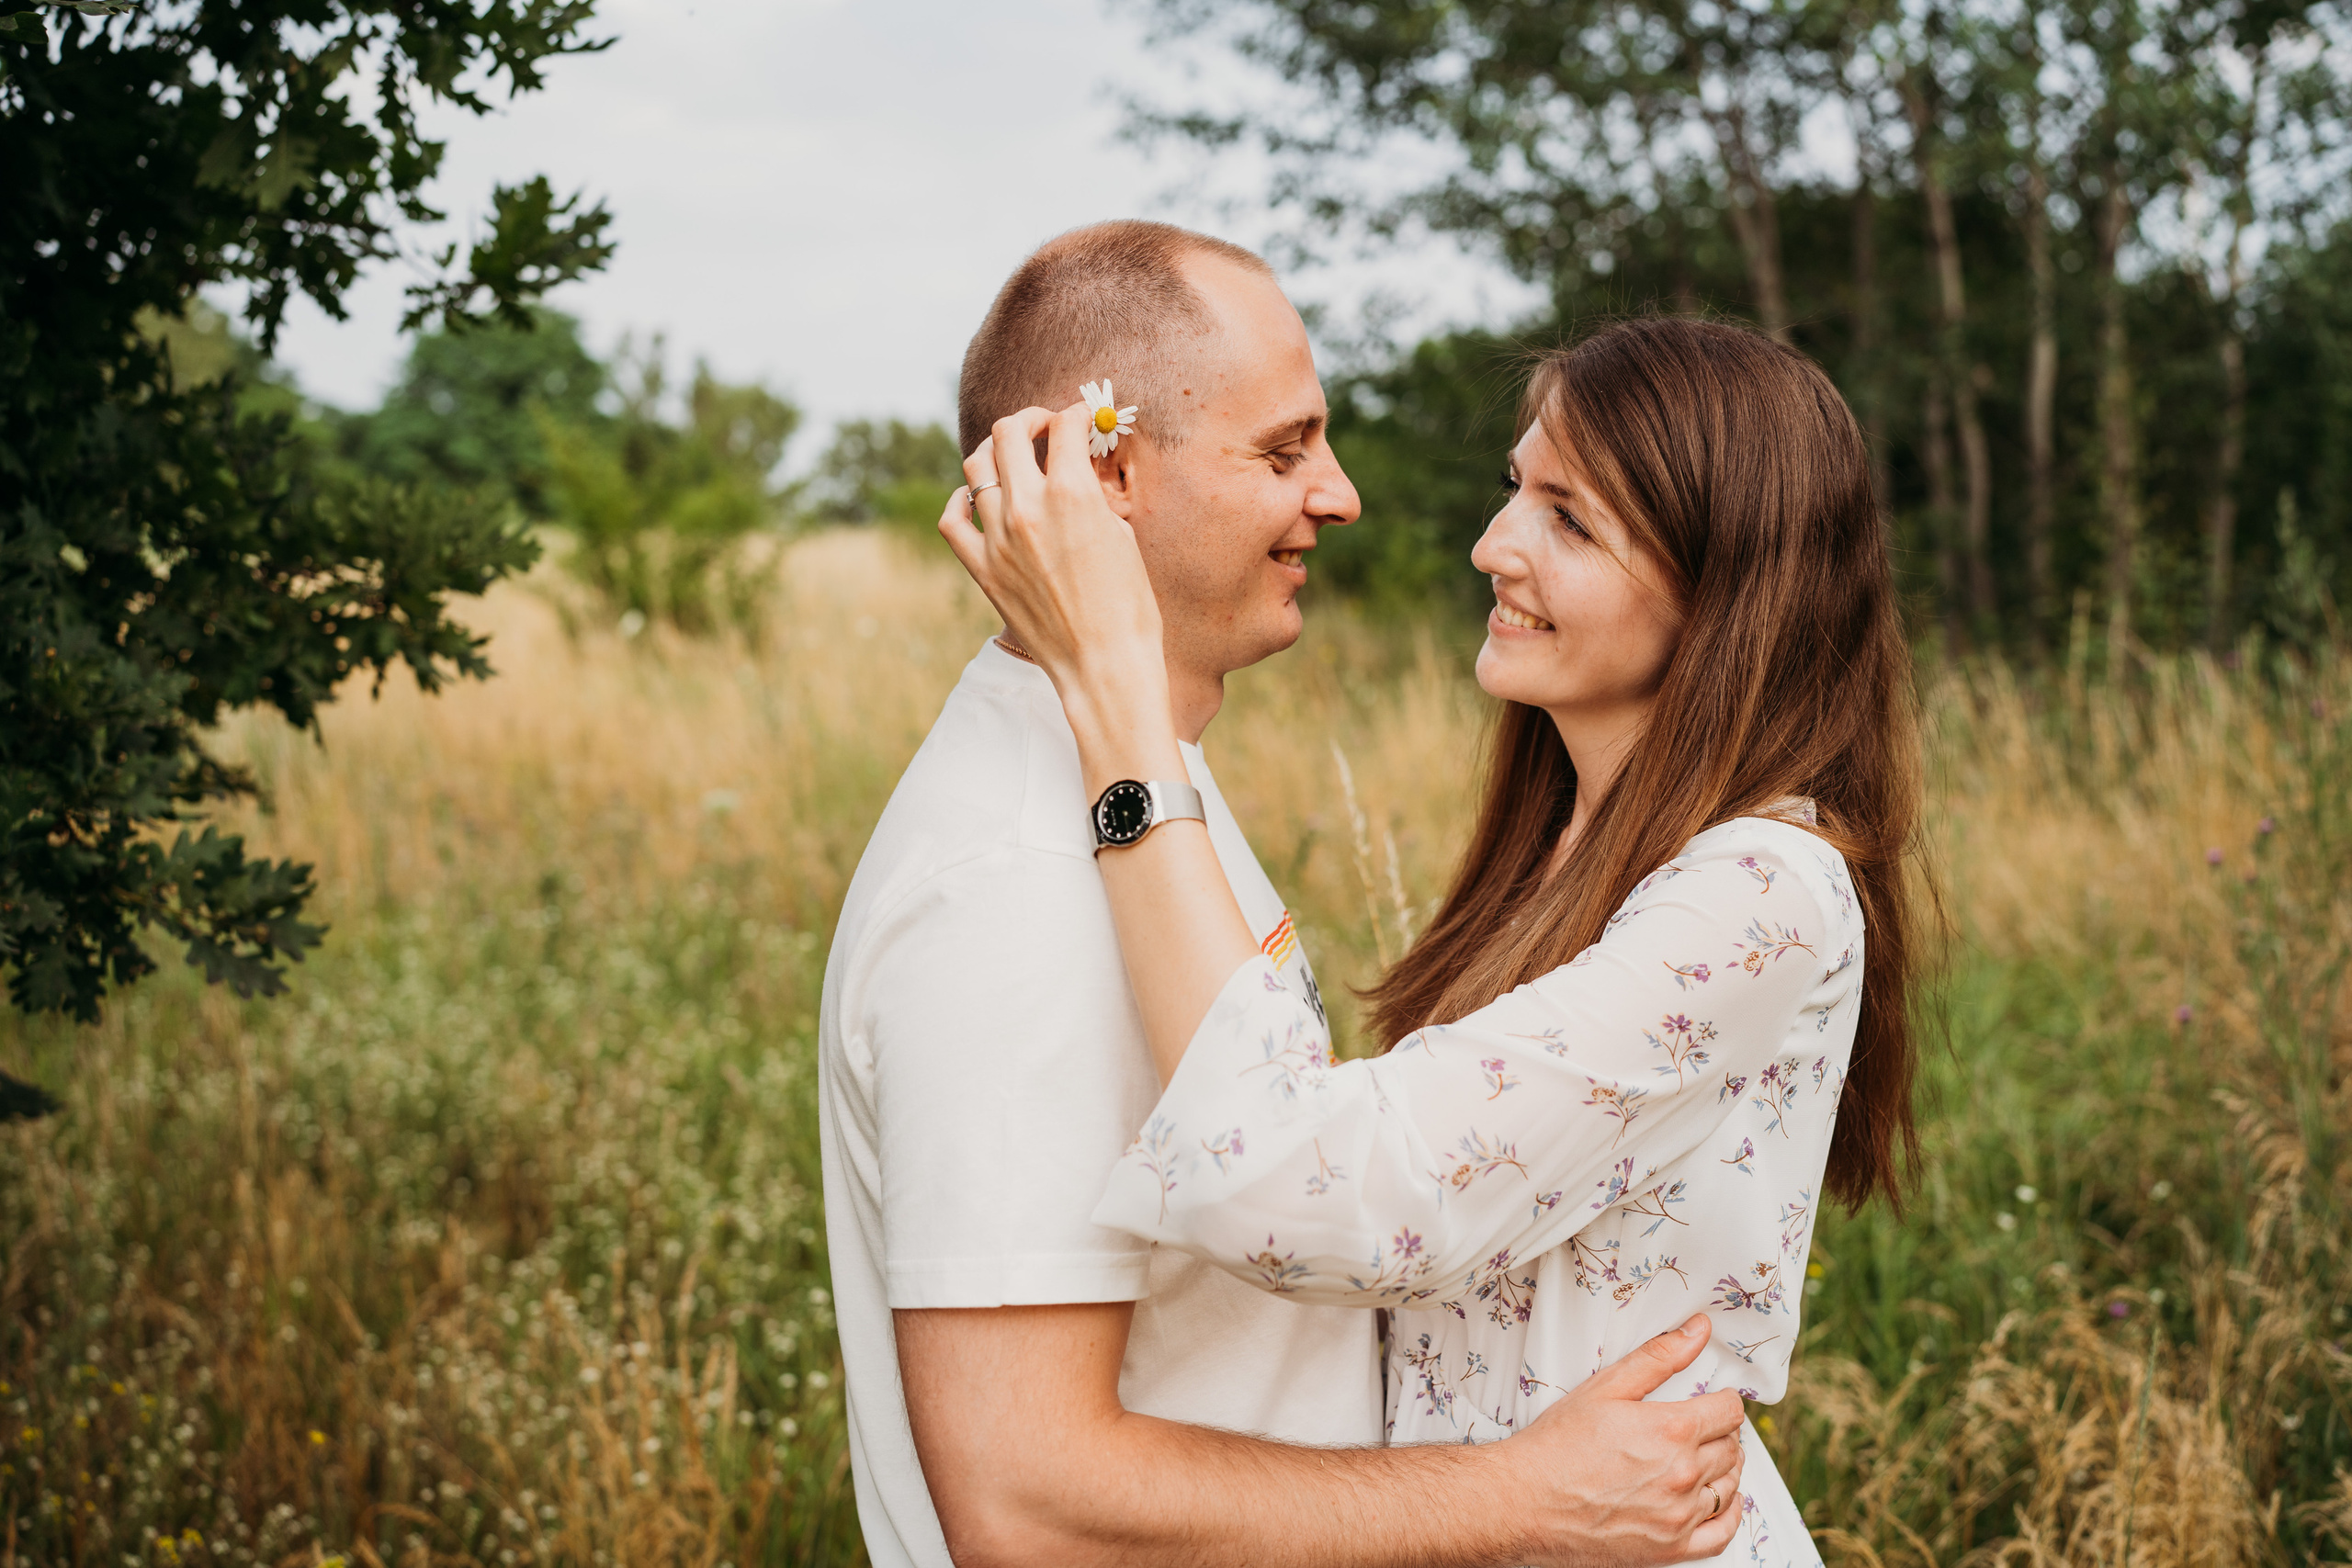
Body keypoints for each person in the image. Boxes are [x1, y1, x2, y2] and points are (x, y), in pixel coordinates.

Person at [818, 223, 1754, 1568]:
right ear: (1106, 470)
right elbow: (1027, 1501)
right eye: (1283, 450)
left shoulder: (1138, 790)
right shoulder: (1013, 884)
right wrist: (1522, 1499)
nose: (1340, 494)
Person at [942, 314, 1926, 1566]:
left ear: (1731, 589)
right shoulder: (1577, 844)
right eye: (1519, 490)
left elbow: (1314, 1192)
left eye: (1571, 521)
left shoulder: (1761, 892)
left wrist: (1116, 699)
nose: (1492, 546)